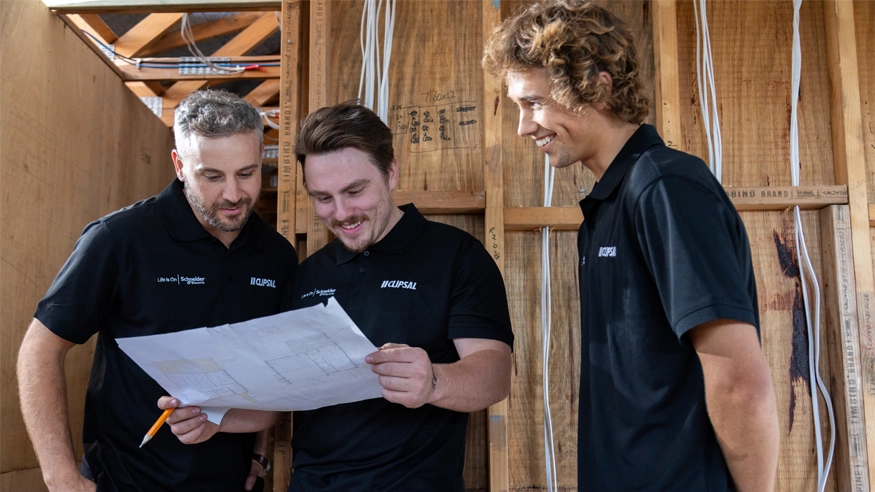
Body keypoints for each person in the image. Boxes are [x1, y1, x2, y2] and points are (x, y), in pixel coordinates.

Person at [483, 1, 779, 491]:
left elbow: (740, 383)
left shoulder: (665, 187)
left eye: (534, 102)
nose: (523, 127)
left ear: (597, 88)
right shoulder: (608, 206)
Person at [163, 100, 515, 491]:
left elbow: (495, 373)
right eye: (323, 198)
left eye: (355, 191)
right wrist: (212, 419)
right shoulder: (307, 273)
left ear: (391, 171)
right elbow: (279, 399)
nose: (342, 212)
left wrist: (434, 381)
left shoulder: (456, 255)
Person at [17, 89, 298, 492]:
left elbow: (270, 372)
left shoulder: (276, 256)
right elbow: (40, 349)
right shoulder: (119, 239)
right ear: (180, 166)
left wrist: (258, 451)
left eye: (246, 173)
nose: (233, 195)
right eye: (212, 176)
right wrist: (59, 475)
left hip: (231, 482)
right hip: (124, 479)